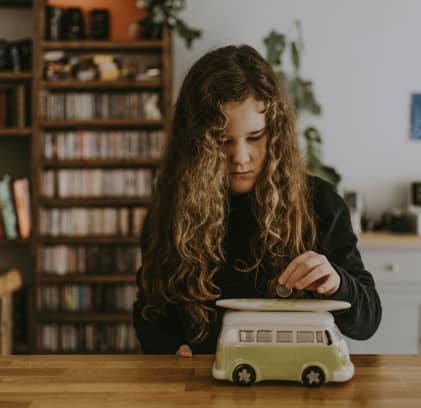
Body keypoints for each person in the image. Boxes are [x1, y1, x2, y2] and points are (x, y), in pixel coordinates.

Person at [133, 44, 382, 356]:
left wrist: (337, 282)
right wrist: (168, 350)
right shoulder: (171, 210)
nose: (240, 157)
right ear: (195, 144)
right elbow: (150, 310)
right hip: (203, 389)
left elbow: (368, 321)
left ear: (275, 132)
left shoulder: (320, 202)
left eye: (254, 137)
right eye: (221, 141)